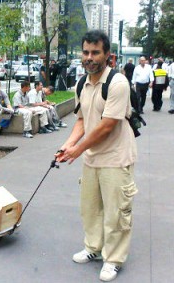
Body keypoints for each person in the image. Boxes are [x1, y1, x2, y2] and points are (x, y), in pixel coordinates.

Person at [56, 30, 138, 282]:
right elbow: (82, 120)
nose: (89, 57)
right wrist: (67, 144)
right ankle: (93, 247)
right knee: (90, 209)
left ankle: (112, 259)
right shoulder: (82, 83)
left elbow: (106, 125)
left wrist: (77, 150)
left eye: (95, 52)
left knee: (116, 212)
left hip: (116, 158)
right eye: (86, 52)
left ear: (107, 55)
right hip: (92, 158)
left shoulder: (118, 83)